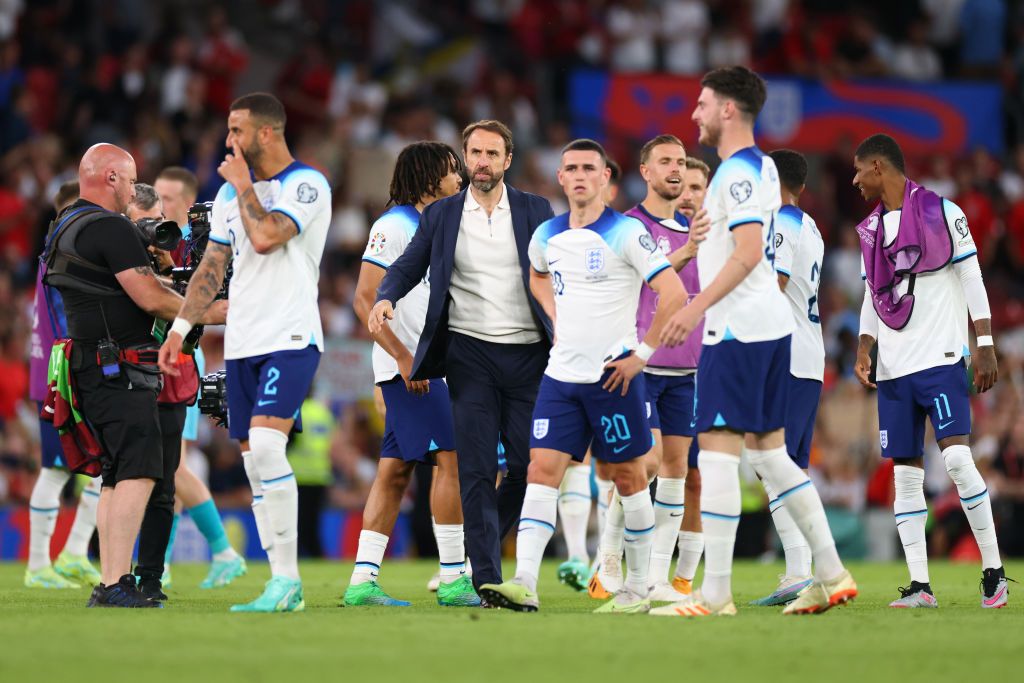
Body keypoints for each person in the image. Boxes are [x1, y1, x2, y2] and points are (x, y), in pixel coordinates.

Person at [654, 66, 855, 617]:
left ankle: (715, 594)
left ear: (726, 110)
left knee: (717, 458)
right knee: (771, 455)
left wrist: (694, 307)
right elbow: (743, 245)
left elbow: (747, 252)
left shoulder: (737, 174)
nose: (693, 113)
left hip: (737, 329)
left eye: (701, 103)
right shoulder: (760, 168)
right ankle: (833, 572)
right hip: (771, 329)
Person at [477, 138, 686, 614]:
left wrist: (642, 354)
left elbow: (672, 293)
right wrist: (555, 320)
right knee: (539, 471)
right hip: (561, 377)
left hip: (614, 376)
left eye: (589, 168)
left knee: (629, 477)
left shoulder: (628, 234)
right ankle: (525, 582)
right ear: (560, 178)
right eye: (570, 168)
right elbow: (536, 276)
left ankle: (636, 588)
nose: (578, 176)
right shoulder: (546, 235)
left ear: (606, 178)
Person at [159, 92, 332, 613]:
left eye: (237, 130)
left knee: (266, 444)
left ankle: (287, 579)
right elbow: (212, 268)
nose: (227, 141)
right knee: (255, 461)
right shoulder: (231, 199)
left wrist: (242, 186)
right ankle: (281, 584)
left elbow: (265, 238)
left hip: (291, 336)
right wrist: (181, 327)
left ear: (266, 133)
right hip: (242, 344)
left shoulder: (307, 184)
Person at [371, 120, 554, 593]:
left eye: (492, 154)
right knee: (473, 466)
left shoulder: (537, 211)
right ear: (466, 155)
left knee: (527, 465)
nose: (481, 162)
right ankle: (488, 580)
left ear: (507, 160)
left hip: (528, 354)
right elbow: (406, 266)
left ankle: (479, 546)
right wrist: (386, 296)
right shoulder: (443, 215)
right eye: (474, 152)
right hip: (469, 354)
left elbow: (558, 273)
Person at [44, 143, 222, 608]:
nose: (132, 188)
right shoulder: (109, 226)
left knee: (115, 475)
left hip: (89, 366)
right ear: (110, 178)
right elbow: (150, 298)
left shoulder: (64, 224)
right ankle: (116, 583)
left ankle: (110, 581)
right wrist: (219, 309)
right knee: (140, 473)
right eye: (129, 177)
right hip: (118, 369)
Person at [851, 133, 1008, 609]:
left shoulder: (945, 212)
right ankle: (920, 586)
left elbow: (972, 276)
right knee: (905, 477)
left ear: (879, 166)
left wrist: (984, 344)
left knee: (959, 462)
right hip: (895, 370)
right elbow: (871, 296)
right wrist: (865, 346)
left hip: (940, 359)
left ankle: (994, 572)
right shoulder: (871, 231)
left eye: (859, 170)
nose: (854, 180)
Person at [348, 141, 479, 607]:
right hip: (416, 369)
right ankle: (452, 577)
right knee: (452, 460)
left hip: (431, 365)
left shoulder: (437, 224)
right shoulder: (395, 225)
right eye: (450, 170)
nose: (459, 176)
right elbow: (366, 298)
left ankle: (362, 581)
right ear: (427, 178)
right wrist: (404, 358)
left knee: (395, 472)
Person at [153, 166, 246, 590]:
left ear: (189, 204)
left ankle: (222, 551)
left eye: (169, 198)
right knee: (167, 466)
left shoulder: (199, 246)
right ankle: (168, 560)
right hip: (165, 358)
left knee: (173, 465)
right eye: (157, 196)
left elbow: (219, 305)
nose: (161, 204)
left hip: (184, 360)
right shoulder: (154, 240)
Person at [748, 149, 824, 607]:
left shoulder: (783, 223)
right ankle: (801, 568)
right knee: (781, 464)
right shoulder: (810, 225)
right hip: (805, 358)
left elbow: (773, 287)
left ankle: (802, 569)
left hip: (786, 356)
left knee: (773, 462)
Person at [24, 180, 103, 590]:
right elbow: (67, 321)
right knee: (56, 471)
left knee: (102, 470)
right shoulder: (62, 253)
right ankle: (38, 565)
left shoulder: (51, 252)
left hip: (56, 371)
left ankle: (73, 553)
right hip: (61, 376)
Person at [670, 155, 710, 594]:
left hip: (702, 373)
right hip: (650, 368)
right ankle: (609, 562)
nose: (688, 196)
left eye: (697, 188)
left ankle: (682, 578)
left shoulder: (724, 245)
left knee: (695, 479)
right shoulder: (650, 236)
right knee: (638, 469)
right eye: (682, 186)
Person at [288, 394, 333, 558]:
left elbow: (289, 441)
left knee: (297, 524)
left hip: (298, 474)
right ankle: (317, 556)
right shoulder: (322, 412)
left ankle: (297, 558)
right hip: (320, 474)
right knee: (313, 523)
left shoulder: (295, 410)